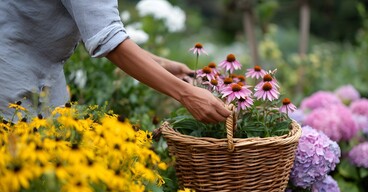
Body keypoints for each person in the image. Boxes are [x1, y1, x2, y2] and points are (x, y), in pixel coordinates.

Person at [0, 0, 231, 123]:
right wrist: (186, 94)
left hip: (44, 70)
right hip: (12, 70)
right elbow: (108, 39)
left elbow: (91, 25)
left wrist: (163, 65)